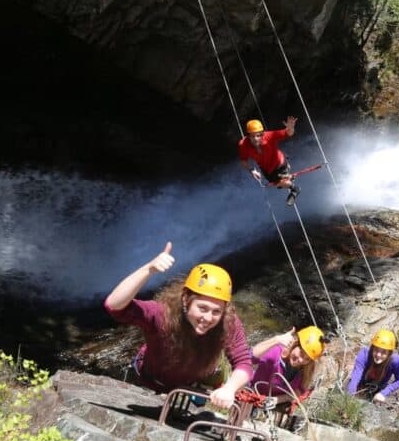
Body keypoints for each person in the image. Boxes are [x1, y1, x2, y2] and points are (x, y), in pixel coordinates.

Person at [104, 242, 253, 409]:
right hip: (148, 380)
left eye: (216, 311)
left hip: (189, 383)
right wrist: (148, 269)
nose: (208, 318)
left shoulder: (228, 322)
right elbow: (115, 306)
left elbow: (243, 362)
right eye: (202, 308)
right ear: (185, 300)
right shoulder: (162, 314)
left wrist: (230, 388)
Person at [248, 326, 326, 410]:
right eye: (301, 353)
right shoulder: (276, 353)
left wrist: (276, 400)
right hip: (250, 395)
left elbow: (300, 391)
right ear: (295, 344)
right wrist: (276, 340)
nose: (301, 360)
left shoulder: (306, 368)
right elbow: (250, 357)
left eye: (307, 359)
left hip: (270, 405)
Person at [239, 116, 301, 206]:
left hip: (279, 163)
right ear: (248, 136)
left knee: (280, 181)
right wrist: (252, 170)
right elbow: (243, 161)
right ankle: (288, 180)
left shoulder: (269, 136)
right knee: (277, 184)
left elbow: (288, 133)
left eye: (258, 135)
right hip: (266, 169)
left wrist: (290, 127)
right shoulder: (243, 144)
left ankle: (294, 187)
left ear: (262, 134)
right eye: (252, 136)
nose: (256, 138)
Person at [346, 329, 399, 404]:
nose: (378, 355)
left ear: (389, 353)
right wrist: (349, 396)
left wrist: (383, 393)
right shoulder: (364, 354)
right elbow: (356, 377)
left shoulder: (395, 361)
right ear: (372, 348)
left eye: (384, 352)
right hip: (361, 384)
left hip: (378, 388)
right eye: (376, 350)